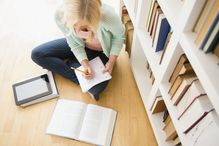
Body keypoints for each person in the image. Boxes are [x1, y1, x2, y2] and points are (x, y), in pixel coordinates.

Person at [31, 0, 125, 100]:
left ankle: (73, 66)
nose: (84, 31)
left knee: (95, 91)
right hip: (78, 46)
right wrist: (85, 64)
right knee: (37, 54)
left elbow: (119, 38)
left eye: (88, 27)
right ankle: (77, 70)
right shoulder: (60, 15)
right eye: (77, 26)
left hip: (101, 51)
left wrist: (111, 62)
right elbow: (74, 43)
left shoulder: (108, 16)